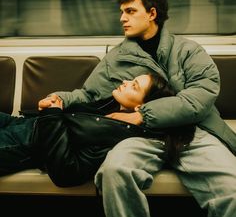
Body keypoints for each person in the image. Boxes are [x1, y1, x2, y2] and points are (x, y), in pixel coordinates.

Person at [39, 0, 236, 217]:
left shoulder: (187, 51)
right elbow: (90, 95)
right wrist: (61, 98)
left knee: (232, 189)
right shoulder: (116, 58)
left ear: (152, 14)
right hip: (140, 136)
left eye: (130, 11)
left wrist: (144, 113)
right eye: (121, 12)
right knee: (114, 173)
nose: (122, 18)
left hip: (190, 131)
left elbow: (201, 96)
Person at [0, 71, 191, 186]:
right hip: (20, 122)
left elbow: (65, 172)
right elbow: (73, 109)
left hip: (22, 144)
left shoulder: (120, 140)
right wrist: (52, 105)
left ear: (142, 107)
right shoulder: (111, 107)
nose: (125, 82)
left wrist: (52, 114)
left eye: (134, 86)